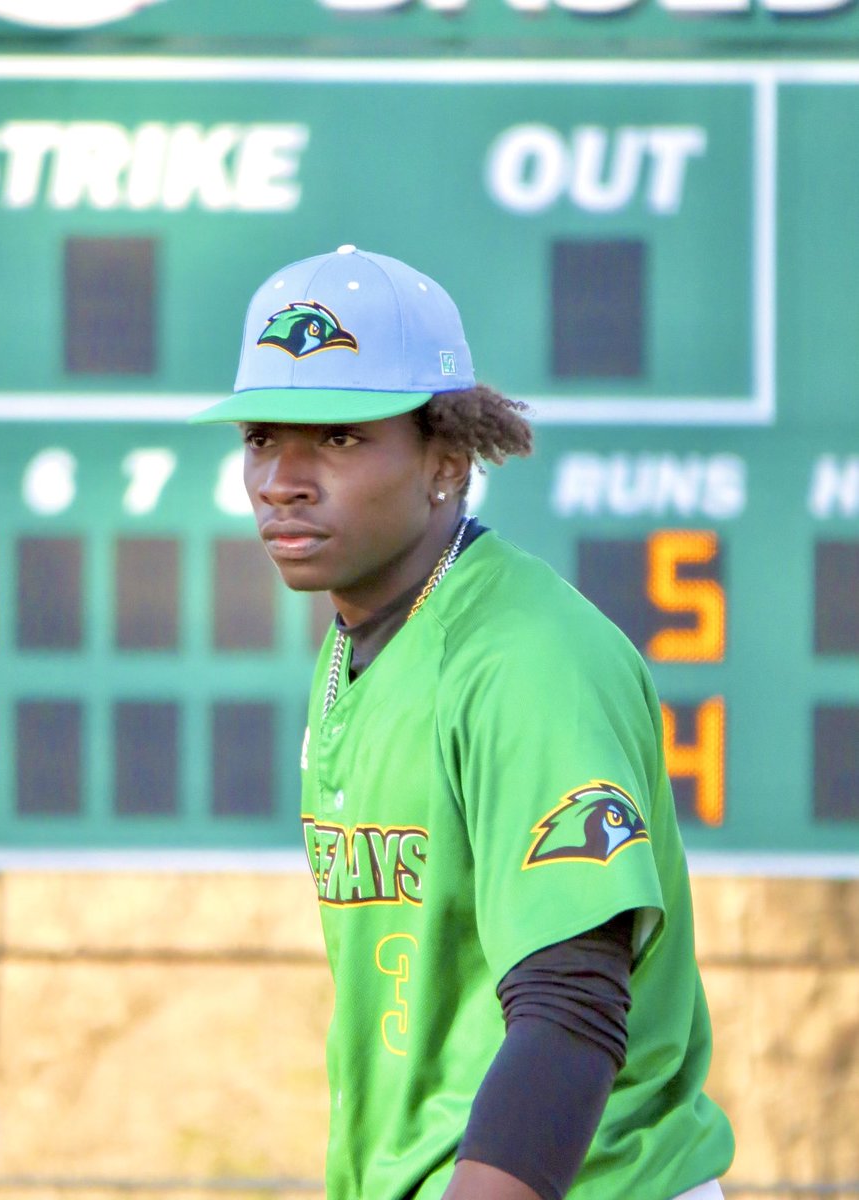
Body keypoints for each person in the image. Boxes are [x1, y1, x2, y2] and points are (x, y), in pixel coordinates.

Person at [191, 245, 735, 1200]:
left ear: (446, 460)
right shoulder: (362, 641)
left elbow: (572, 1007)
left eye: (340, 437)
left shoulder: (527, 659)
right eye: (262, 435)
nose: (283, 476)